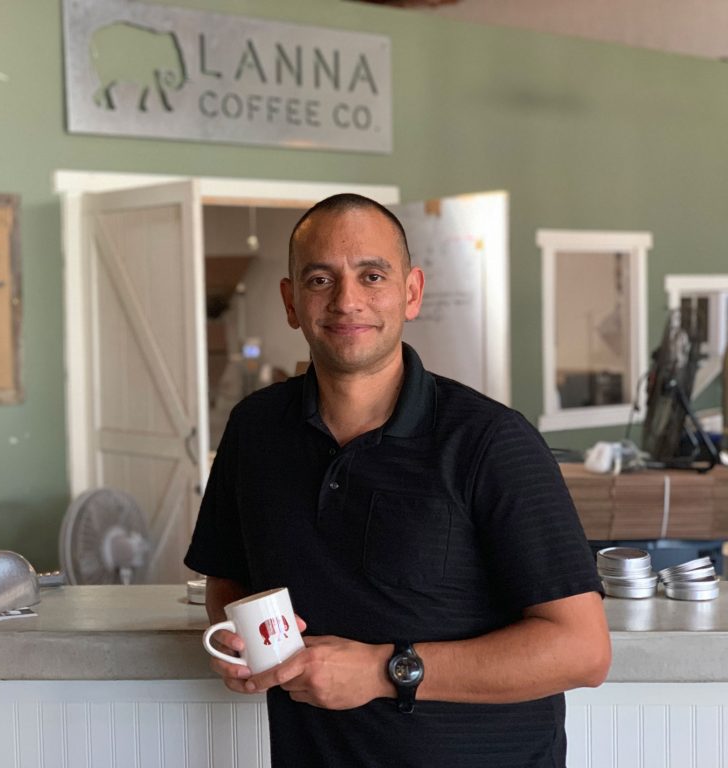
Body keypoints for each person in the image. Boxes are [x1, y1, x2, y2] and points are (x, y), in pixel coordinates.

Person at [184, 193, 611, 767]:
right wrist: (247, 644)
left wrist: (385, 671)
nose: (347, 300)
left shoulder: (490, 441)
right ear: (291, 301)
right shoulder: (254, 430)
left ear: (411, 292)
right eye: (319, 279)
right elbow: (228, 581)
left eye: (372, 275)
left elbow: (582, 650)